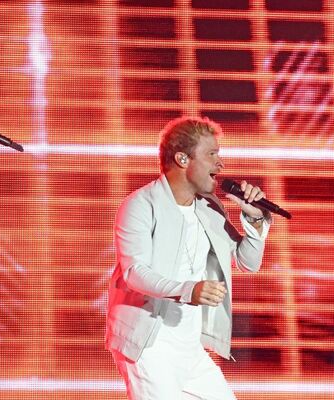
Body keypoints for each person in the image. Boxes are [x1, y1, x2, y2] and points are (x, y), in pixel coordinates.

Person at [106, 116, 273, 399]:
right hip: (149, 344)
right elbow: (135, 272)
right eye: (212, 155)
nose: (220, 165)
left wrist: (254, 218)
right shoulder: (140, 205)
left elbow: (247, 261)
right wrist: (188, 290)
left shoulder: (209, 208)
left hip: (190, 348)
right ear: (182, 159)